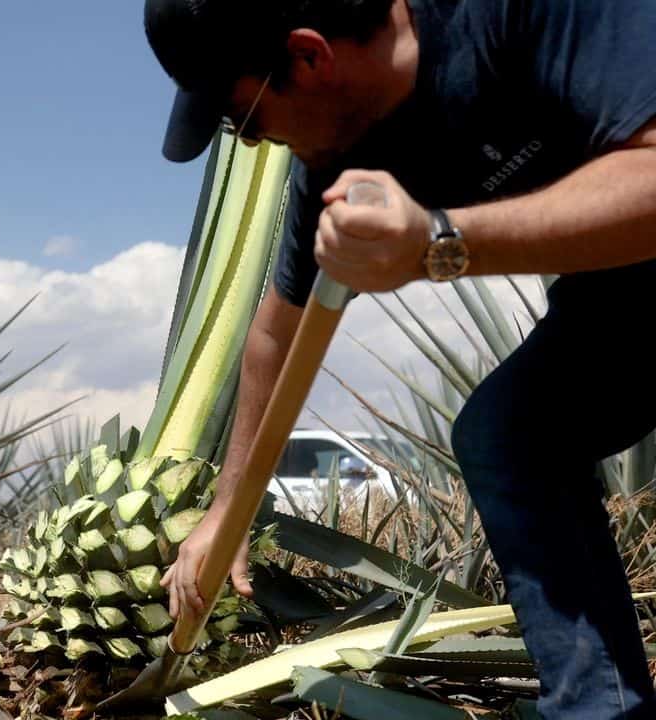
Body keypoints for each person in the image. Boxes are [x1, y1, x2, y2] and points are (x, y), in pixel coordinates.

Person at [144, 0, 656, 716]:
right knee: (510, 436)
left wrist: (438, 241)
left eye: (246, 121)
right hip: (628, 288)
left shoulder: (521, 13)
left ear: (309, 57)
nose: (257, 144)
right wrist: (227, 510)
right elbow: (274, 332)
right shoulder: (339, 157)